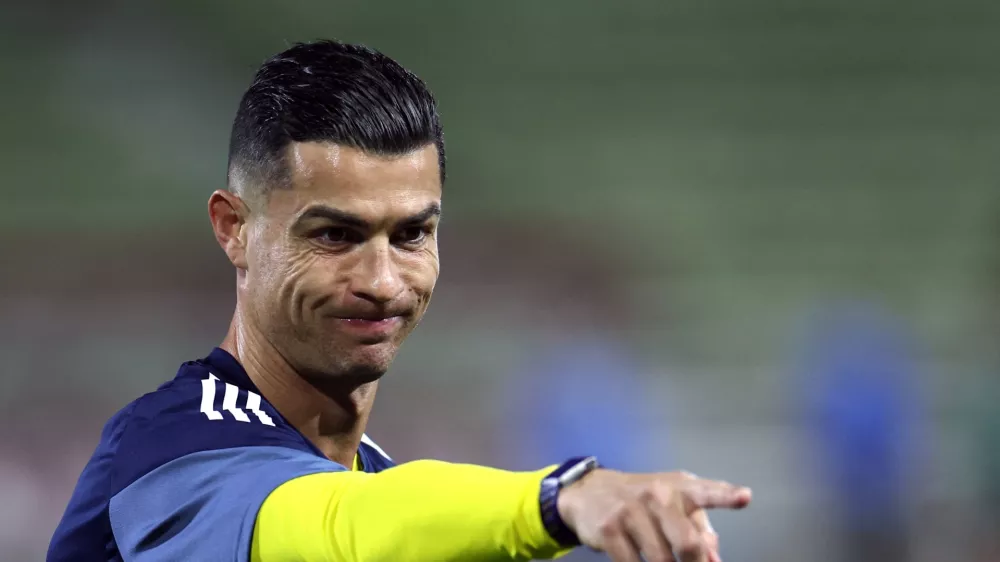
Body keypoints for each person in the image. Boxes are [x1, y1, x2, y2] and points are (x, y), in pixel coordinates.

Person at [47, 40, 751, 562]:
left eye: (412, 233)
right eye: (335, 235)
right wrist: (557, 497)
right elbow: (337, 529)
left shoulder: (376, 483)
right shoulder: (169, 449)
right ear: (235, 229)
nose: (383, 281)